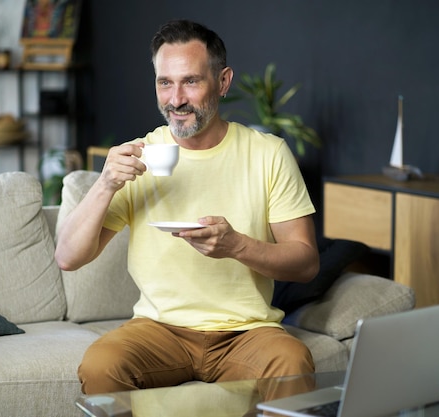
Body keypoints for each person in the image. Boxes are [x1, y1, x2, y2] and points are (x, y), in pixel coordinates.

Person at [55, 19, 319, 395]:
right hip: (158, 331)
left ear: (223, 82)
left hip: (245, 333)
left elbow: (307, 263)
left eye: (190, 81)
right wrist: (105, 183)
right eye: (165, 82)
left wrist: (237, 246)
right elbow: (68, 257)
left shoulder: (268, 154)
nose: (175, 99)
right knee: (101, 365)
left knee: (291, 362)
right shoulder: (139, 157)